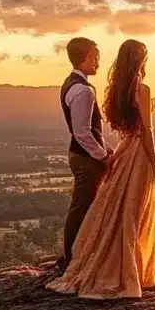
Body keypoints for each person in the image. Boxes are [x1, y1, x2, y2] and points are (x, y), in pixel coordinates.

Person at [48, 39, 155, 299]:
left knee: (114, 210)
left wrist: (113, 154)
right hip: (132, 154)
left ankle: (90, 260)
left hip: (122, 149)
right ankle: (108, 265)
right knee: (127, 211)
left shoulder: (112, 91)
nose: (97, 60)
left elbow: (124, 131)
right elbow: (145, 131)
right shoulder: (135, 90)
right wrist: (154, 162)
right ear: (140, 61)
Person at [58, 37, 107, 272]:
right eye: (96, 57)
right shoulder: (83, 91)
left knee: (84, 206)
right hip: (85, 158)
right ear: (86, 57)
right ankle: (72, 260)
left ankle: (75, 256)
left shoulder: (71, 84)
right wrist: (104, 156)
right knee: (82, 208)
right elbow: (83, 133)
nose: (98, 62)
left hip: (82, 156)